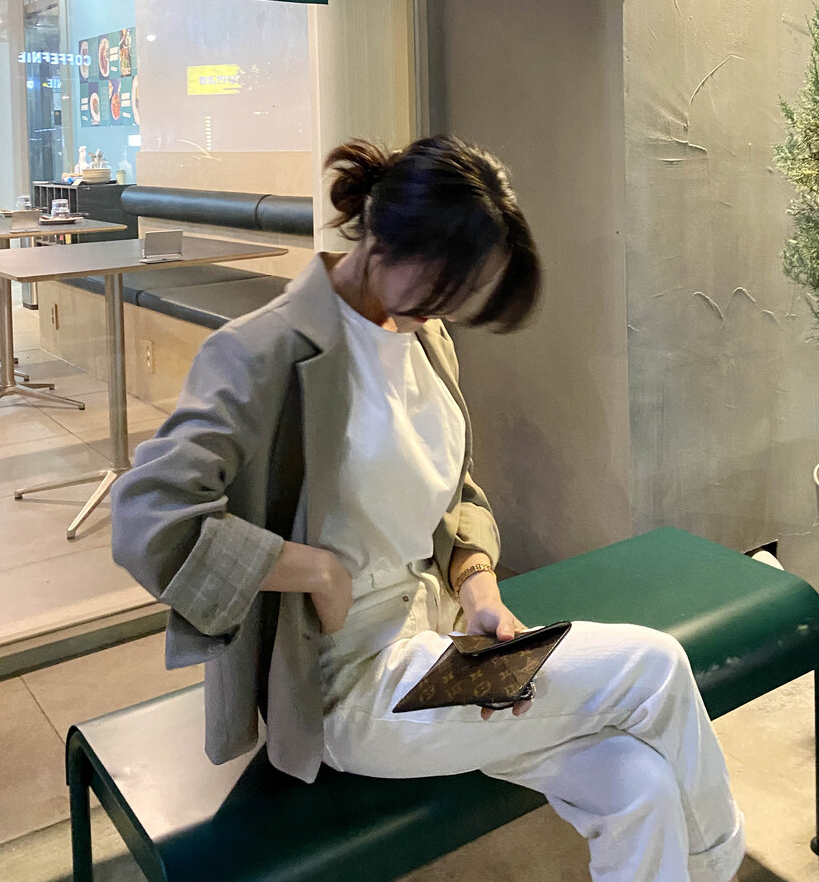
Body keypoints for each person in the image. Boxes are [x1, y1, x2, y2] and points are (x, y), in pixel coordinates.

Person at [111, 134, 744, 882]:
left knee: (639, 785)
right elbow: (148, 518)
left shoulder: (425, 334)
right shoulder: (264, 350)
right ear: (382, 237)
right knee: (655, 667)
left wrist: (480, 591)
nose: (451, 304)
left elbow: (455, 490)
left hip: (447, 646)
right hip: (354, 684)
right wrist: (314, 570)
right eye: (445, 281)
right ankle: (719, 867)